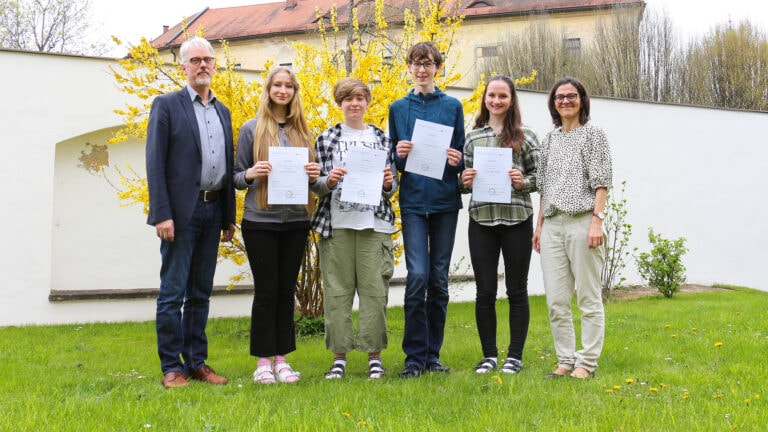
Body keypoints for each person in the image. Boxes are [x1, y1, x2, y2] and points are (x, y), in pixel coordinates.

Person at [146, 36, 236, 389]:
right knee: (172, 293)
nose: (202, 65)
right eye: (195, 60)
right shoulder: (167, 106)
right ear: (183, 67)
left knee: (200, 292)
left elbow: (226, 166)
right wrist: (162, 214)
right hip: (180, 215)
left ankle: (197, 362)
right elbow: (155, 164)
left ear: (215, 65)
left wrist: (228, 216)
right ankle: (172, 367)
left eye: (208, 60)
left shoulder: (222, 111)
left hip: (213, 212)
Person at [233, 66, 320, 385]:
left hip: (297, 221)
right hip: (260, 222)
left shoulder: (302, 131)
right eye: (277, 85)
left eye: (288, 86)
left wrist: (314, 174)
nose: (283, 91)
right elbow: (236, 178)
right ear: (268, 89)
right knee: (266, 292)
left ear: (295, 92)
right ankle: (262, 363)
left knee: (286, 292)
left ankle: (282, 360)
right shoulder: (251, 129)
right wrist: (252, 173)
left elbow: (316, 183)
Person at [310, 78, 398, 380]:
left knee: (375, 292)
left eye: (360, 98)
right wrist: (329, 181)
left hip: (375, 225)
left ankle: (374, 356)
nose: (355, 103)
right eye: (348, 98)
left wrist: (388, 183)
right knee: (337, 292)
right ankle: (339, 357)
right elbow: (316, 187)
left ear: (368, 102)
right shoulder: (325, 139)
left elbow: (391, 186)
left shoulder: (381, 139)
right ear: (339, 103)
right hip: (337, 225)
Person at [388, 41, 465, 378]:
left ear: (438, 67)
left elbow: (461, 153)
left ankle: (433, 355)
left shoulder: (453, 106)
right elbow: (392, 162)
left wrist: (456, 160)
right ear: (408, 67)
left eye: (428, 63)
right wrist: (399, 155)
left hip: (446, 201)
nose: (422, 69)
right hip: (415, 201)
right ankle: (414, 357)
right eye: (416, 63)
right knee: (417, 276)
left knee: (439, 279)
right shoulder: (397, 108)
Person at [532, 76, 613, 379]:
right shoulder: (549, 139)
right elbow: (544, 188)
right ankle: (565, 360)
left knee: (588, 298)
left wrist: (597, 220)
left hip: (583, 222)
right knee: (556, 300)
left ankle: (587, 363)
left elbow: (602, 181)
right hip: (553, 226)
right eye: (559, 97)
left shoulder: (594, 135)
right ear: (553, 104)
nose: (565, 101)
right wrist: (539, 226)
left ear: (582, 100)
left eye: (572, 96)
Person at [460, 75, 539, 375]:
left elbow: (541, 175)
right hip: (482, 219)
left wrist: (524, 181)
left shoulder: (527, 135)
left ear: (511, 100)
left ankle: (514, 357)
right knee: (485, 291)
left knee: (517, 290)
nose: (496, 101)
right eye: (491, 95)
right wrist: (463, 180)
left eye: (502, 96)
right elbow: (464, 183)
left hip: (518, 219)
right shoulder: (473, 137)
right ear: (485, 98)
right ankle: (489, 356)